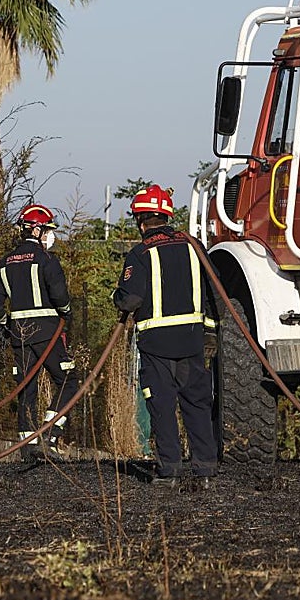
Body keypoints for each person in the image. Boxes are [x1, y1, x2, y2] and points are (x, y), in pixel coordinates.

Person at [113, 184, 219, 489]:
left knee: (161, 405)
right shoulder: (193, 245)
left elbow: (130, 300)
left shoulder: (141, 253)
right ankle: (206, 470)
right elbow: (216, 293)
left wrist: (115, 297)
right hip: (192, 341)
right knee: (197, 404)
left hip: (157, 345)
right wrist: (209, 331)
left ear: (141, 220)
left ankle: (170, 471)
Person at [0, 204, 78, 462]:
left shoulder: (5, 263)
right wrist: (67, 314)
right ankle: (50, 434)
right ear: (36, 230)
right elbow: (61, 297)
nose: (50, 235)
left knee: (26, 389)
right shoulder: (47, 260)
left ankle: (28, 447)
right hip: (48, 332)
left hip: (19, 336)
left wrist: (6, 324)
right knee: (68, 382)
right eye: (48, 229)